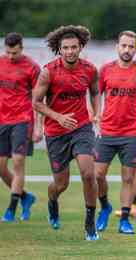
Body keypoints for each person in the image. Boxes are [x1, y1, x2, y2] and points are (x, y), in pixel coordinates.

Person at [32, 25, 99, 240]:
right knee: (61, 184)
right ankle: (52, 202)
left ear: (81, 47)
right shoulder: (48, 71)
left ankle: (90, 222)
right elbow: (36, 103)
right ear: (59, 50)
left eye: (74, 47)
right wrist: (59, 117)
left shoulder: (89, 70)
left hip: (81, 128)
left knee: (89, 173)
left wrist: (96, 114)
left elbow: (95, 92)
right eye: (66, 48)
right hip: (55, 132)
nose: (70, 51)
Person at [94, 30, 136, 234]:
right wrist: (95, 115)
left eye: (131, 46)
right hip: (107, 131)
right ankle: (104, 207)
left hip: (132, 132)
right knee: (97, 174)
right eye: (124, 45)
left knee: (128, 178)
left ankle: (124, 218)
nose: (127, 50)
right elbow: (96, 95)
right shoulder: (105, 70)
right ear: (117, 46)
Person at [0, 32, 41, 222]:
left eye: (14, 53)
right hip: (2, 121)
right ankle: (26, 197)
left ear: (21, 49)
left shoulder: (32, 67)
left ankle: (11, 209)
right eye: (8, 52)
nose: (10, 56)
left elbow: (39, 99)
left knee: (17, 164)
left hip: (23, 120)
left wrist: (39, 126)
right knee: (1, 168)